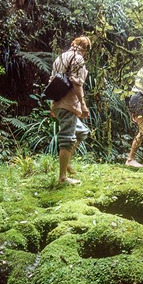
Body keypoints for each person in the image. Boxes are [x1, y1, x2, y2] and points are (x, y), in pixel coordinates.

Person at [50, 36, 91, 184]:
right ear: (85, 49)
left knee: (82, 132)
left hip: (58, 103)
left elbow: (52, 81)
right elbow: (77, 84)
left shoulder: (60, 58)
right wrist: (83, 105)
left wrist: (53, 105)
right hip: (69, 104)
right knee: (67, 138)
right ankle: (62, 178)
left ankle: (66, 163)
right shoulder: (78, 59)